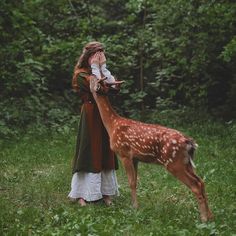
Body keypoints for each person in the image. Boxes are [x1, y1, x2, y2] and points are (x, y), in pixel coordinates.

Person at [68, 41, 119, 206]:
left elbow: (114, 88)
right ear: (89, 57)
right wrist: (97, 70)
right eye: (97, 55)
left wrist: (103, 69)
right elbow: (99, 88)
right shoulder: (81, 74)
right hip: (90, 115)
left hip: (104, 114)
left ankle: (105, 192)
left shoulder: (97, 71)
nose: (100, 57)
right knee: (89, 149)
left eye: (102, 55)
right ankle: (82, 194)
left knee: (105, 149)